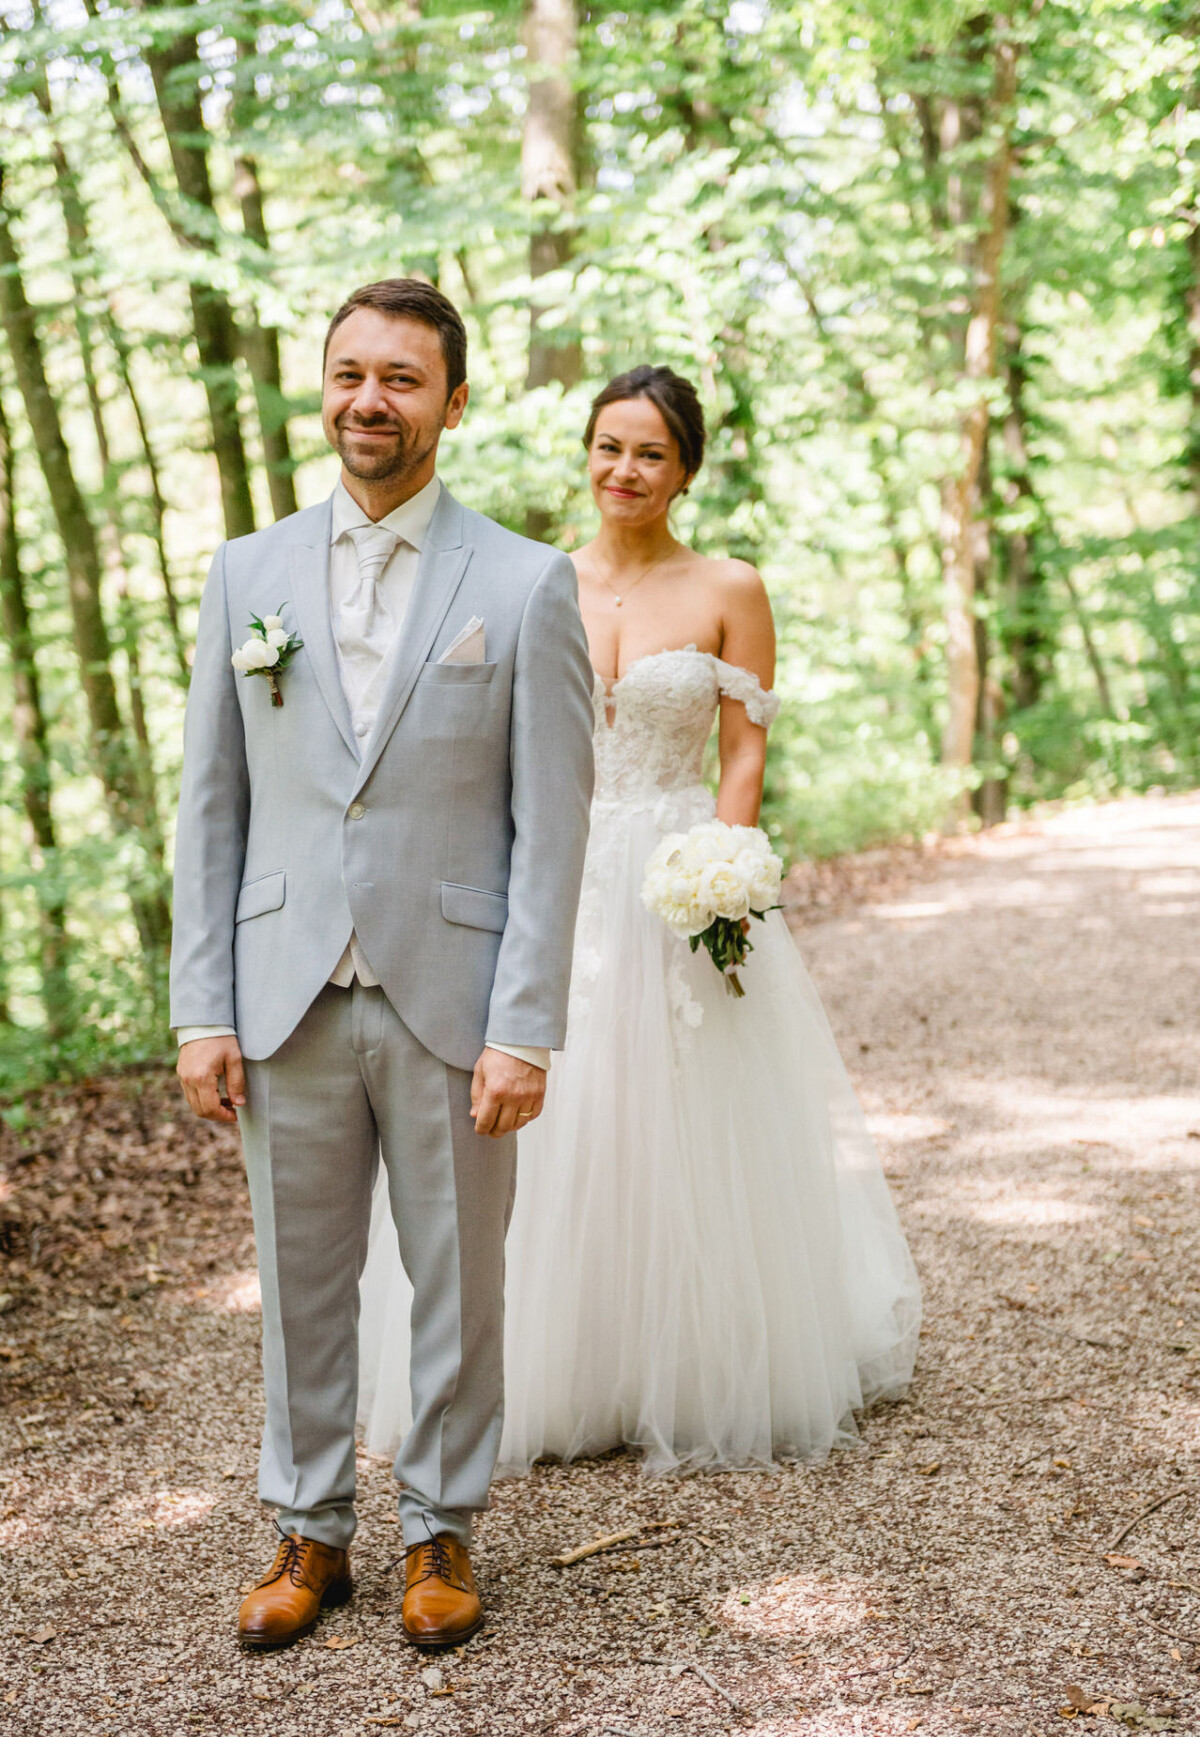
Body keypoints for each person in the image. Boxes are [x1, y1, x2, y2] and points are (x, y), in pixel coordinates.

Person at [358, 365, 921, 1474]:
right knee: (549, 1110)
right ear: (586, 452)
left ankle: (699, 1360)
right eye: (610, 446)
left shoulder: (730, 586)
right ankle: (550, 1366)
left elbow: (746, 747)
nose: (627, 470)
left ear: (686, 470)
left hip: (677, 869)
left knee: (685, 1113)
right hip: (551, 873)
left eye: (651, 453)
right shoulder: (533, 580)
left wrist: (726, 867)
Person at [170, 279, 594, 1651]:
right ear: (323, 388)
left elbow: (552, 827)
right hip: (283, 983)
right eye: (349, 373)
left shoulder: (528, 581)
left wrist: (525, 1022)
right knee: (297, 1279)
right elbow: (212, 805)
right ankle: (310, 1529)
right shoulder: (247, 573)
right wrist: (202, 1006)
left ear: (452, 402)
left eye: (401, 378)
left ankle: (442, 1526)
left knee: (459, 1275)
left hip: (451, 994)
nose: (369, 399)